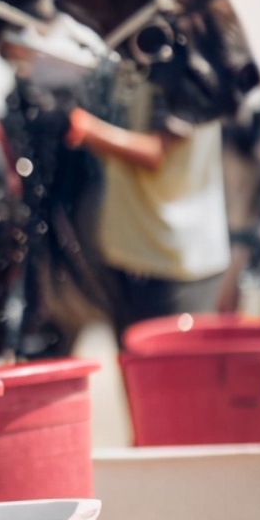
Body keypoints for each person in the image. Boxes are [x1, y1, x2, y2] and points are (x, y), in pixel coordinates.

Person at [65, 92, 230, 338]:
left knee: (169, 360)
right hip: (140, 252)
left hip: (173, 261)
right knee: (135, 358)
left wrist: (87, 128)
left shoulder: (180, 73)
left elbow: (156, 151)